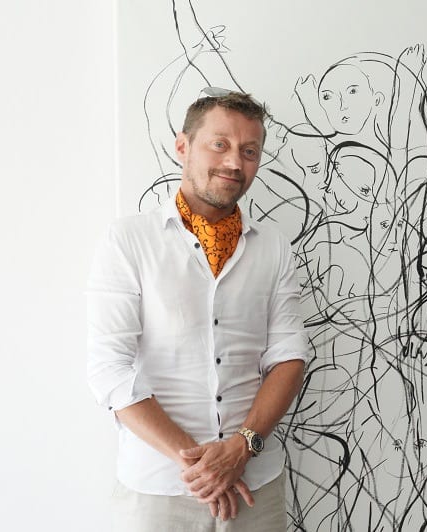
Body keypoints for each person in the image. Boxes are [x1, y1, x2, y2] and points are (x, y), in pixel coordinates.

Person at [87, 90, 309, 531]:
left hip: (256, 485)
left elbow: (289, 358)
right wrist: (203, 466)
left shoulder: (274, 248)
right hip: (160, 490)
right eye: (219, 144)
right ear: (183, 146)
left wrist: (240, 450)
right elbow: (109, 370)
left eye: (249, 151)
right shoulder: (128, 241)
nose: (234, 162)